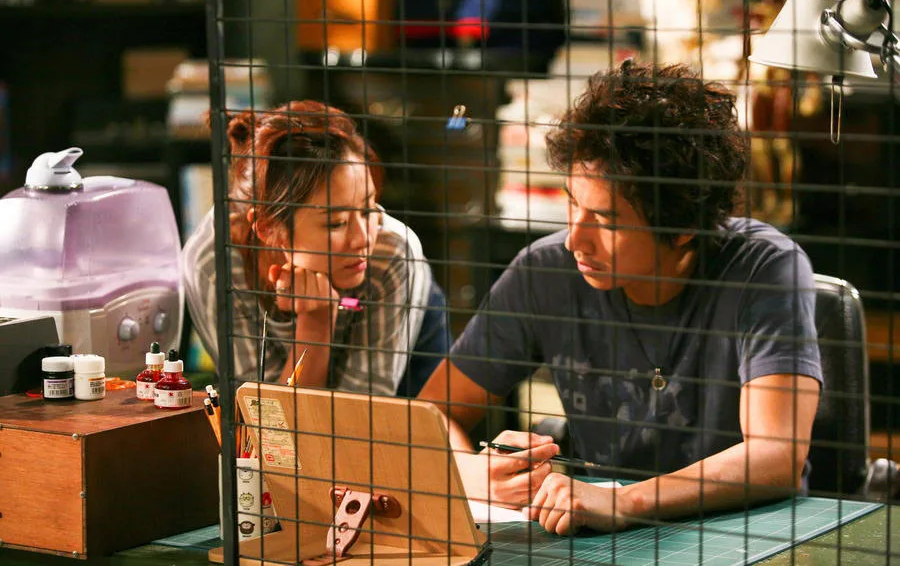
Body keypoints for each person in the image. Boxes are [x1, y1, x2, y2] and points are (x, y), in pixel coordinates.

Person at [417, 62, 822, 534]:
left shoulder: (764, 268)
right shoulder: (543, 273)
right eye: (572, 202)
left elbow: (776, 455)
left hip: (747, 534)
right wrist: (471, 473)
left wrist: (625, 502)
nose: (575, 239)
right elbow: (430, 415)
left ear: (682, 226)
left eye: (607, 220)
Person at [183, 100, 448, 396]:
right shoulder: (214, 263)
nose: (363, 238)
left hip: (406, 364)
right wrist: (315, 325)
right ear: (267, 228)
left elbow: (362, 413)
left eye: (368, 209)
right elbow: (265, 415)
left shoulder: (393, 253)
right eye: (336, 223)